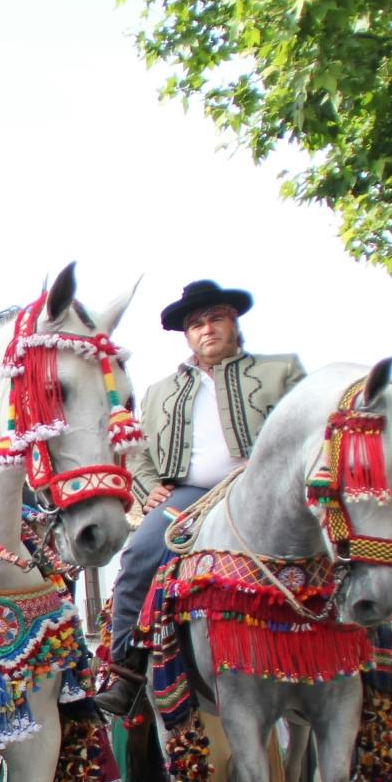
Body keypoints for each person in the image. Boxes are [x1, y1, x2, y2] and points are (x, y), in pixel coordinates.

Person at [95, 280, 306, 716]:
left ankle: (381, 667)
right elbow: (138, 453)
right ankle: (127, 670)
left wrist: (272, 464)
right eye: (196, 324)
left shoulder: (281, 370)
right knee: (138, 556)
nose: (206, 329)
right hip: (189, 498)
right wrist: (147, 488)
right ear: (187, 335)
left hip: (267, 489)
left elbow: (308, 433)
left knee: (342, 544)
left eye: (215, 319)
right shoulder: (159, 392)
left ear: (233, 323)